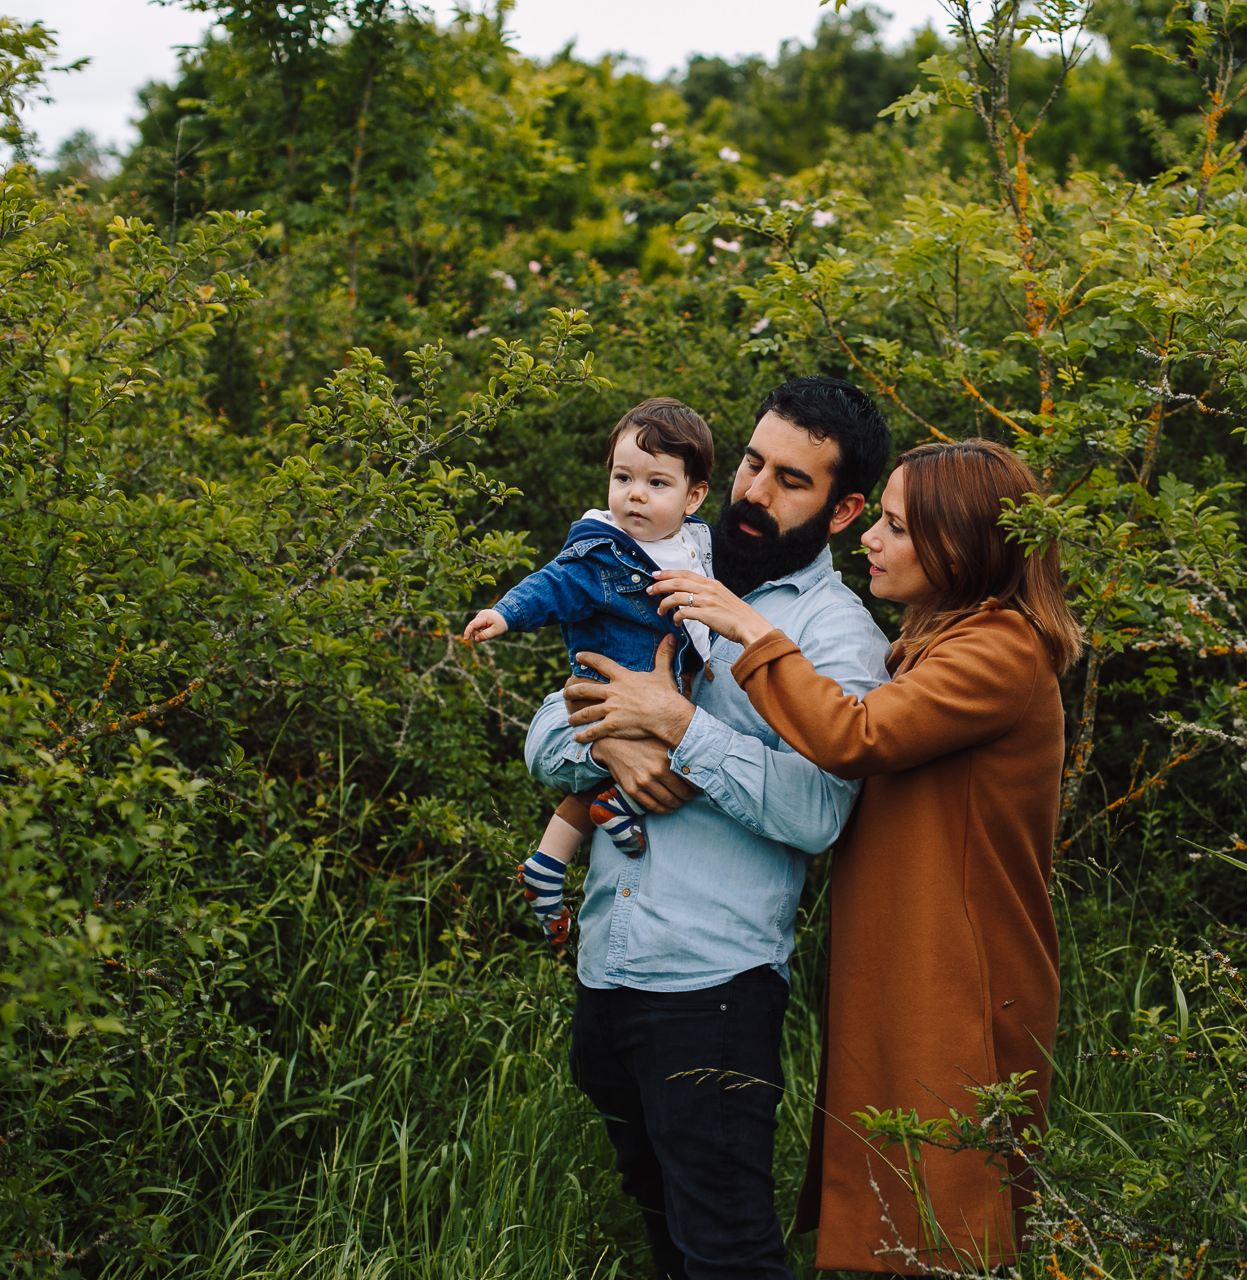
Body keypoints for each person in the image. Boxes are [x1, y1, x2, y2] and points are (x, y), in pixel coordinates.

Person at [575, 438, 1082, 1275]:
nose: (870, 542)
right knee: (894, 1205)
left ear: (960, 544)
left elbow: (854, 736)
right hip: (901, 960)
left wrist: (747, 628)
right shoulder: (931, 644)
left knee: (942, 1220)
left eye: (893, 526)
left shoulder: (1001, 651)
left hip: (960, 972)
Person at [525, 376, 895, 1280]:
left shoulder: (836, 635)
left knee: (727, 1251)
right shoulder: (655, 566)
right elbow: (544, 741)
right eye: (752, 463)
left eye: (791, 481)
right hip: (607, 970)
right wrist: (617, 751)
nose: (755, 493)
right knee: (663, 1236)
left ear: (844, 510)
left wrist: (682, 730)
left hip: (712, 990)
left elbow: (816, 814)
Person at [463, 397, 718, 949]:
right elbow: (551, 586)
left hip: (660, 695)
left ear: (693, 496)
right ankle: (601, 819)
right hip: (611, 691)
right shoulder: (603, 553)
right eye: (623, 476)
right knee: (685, 754)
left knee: (704, 749)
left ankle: (549, 864)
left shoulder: (692, 544)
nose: (635, 494)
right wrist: (504, 614)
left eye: (657, 483)